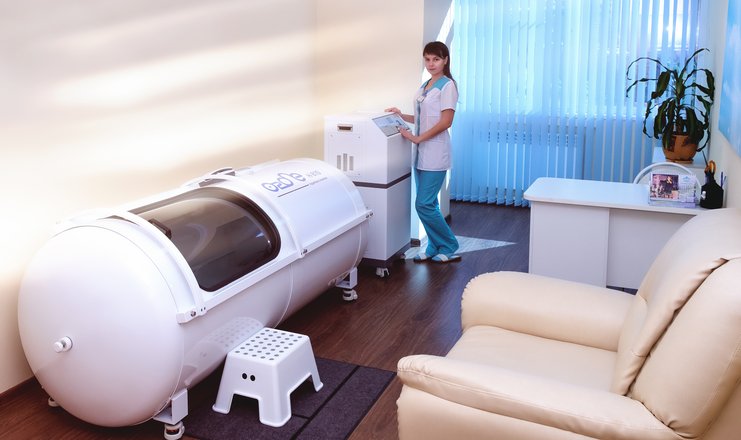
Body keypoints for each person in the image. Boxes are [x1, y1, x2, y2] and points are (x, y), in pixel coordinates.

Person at [386, 41, 460, 263]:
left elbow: (446, 121)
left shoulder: (448, 86)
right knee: (430, 204)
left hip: (435, 153)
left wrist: (417, 138)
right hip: (420, 155)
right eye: (427, 59)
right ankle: (434, 246)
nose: (431, 63)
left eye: (436, 59)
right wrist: (401, 115)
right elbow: (422, 118)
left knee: (423, 204)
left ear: (445, 60)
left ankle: (449, 245)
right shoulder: (426, 85)